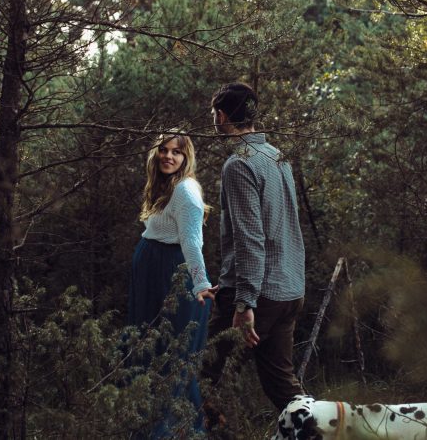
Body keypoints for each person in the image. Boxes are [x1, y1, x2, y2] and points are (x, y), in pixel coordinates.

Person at [203, 82, 306, 416]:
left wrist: (244, 299)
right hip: (288, 289)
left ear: (221, 116)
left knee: (203, 375)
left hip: (259, 297)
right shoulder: (277, 156)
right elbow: (282, 227)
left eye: (213, 114)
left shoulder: (239, 163)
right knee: (283, 386)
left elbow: (251, 238)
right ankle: (323, 431)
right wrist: (231, 281)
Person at [127, 132, 217, 438]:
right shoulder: (163, 186)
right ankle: (150, 424)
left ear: (185, 157)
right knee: (149, 346)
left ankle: (175, 431)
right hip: (152, 271)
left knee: (172, 353)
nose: (168, 156)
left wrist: (200, 283)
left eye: (176, 152)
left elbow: (192, 243)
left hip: (172, 273)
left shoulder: (186, 191)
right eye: (163, 150)